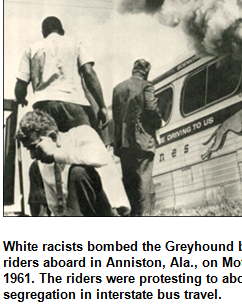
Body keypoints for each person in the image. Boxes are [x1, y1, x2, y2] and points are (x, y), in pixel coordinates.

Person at [14, 16, 109, 214]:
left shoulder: (32, 48)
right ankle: (105, 206)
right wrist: (101, 106)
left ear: (43, 32)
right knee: (84, 150)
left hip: (44, 105)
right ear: (61, 30)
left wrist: (21, 98)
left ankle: (48, 210)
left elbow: (20, 85)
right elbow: (89, 73)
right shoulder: (75, 41)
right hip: (74, 104)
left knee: (43, 156)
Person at [16, 110, 130, 217]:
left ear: (52, 137)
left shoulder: (82, 133)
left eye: (33, 147)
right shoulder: (39, 164)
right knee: (34, 167)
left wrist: (55, 154)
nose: (32, 155)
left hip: (106, 214)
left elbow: (100, 157)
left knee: (78, 171)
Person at [112, 59, 163, 216]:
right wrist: (158, 123)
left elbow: (116, 117)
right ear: (146, 72)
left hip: (123, 144)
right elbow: (151, 108)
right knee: (144, 183)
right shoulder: (146, 85)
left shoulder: (117, 89)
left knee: (130, 183)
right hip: (142, 141)